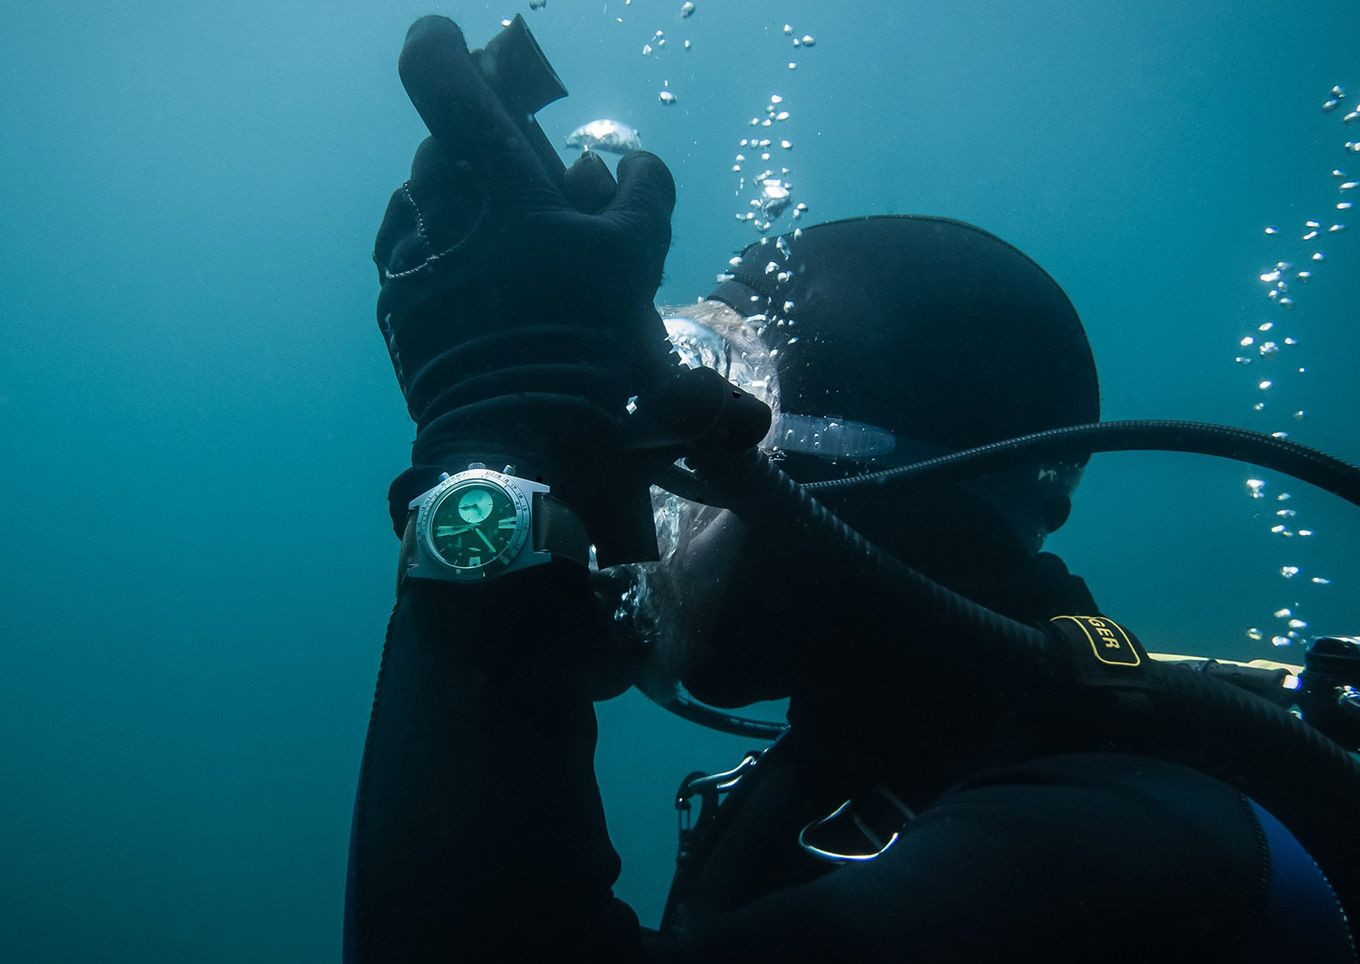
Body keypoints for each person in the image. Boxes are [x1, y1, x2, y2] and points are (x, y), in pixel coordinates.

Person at [344, 15, 1357, 962]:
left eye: (726, 393)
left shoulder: (1113, 840)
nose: (658, 480)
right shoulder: (866, 777)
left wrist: (490, 465)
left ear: (858, 478)